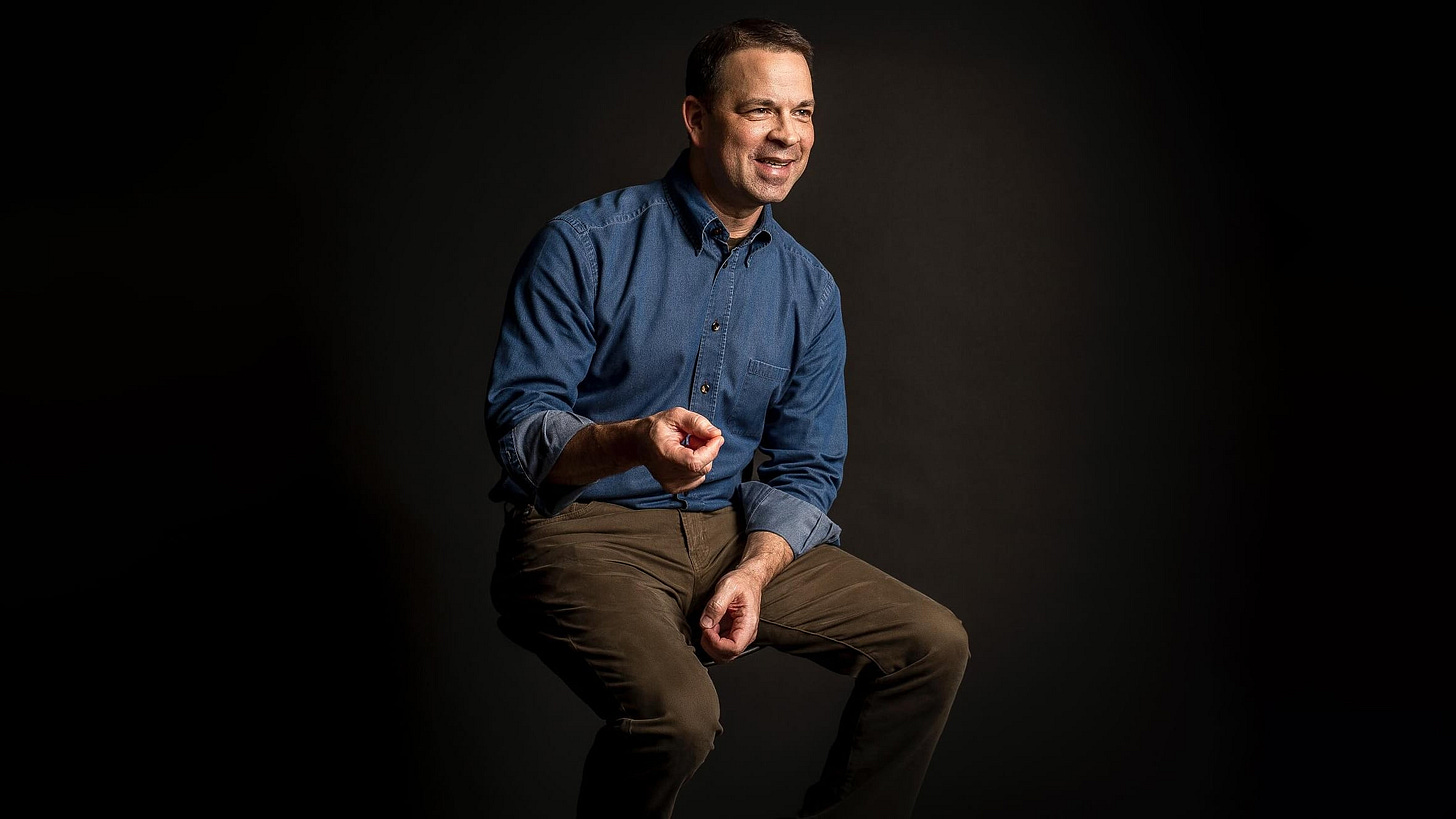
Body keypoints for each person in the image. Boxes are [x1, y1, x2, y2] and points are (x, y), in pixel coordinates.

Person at [485, 18, 969, 818]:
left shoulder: (810, 292)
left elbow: (806, 468)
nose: (788, 135)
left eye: (803, 112)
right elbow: (519, 424)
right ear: (697, 118)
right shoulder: (584, 244)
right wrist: (633, 442)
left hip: (724, 534)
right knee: (680, 717)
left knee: (932, 643)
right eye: (759, 110)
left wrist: (752, 571)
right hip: (582, 534)